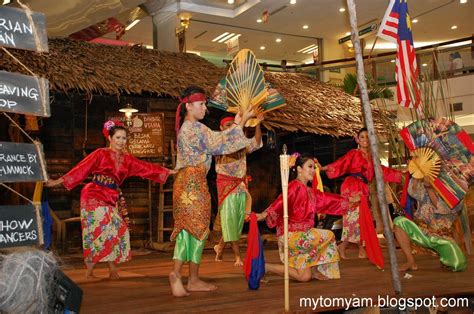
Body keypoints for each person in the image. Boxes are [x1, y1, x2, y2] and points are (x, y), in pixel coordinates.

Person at [46, 120, 173, 279]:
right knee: (102, 231)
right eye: (118, 137)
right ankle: (104, 271)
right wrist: (57, 181)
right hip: (93, 195)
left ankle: (102, 271)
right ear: (110, 138)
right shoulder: (100, 153)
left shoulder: (127, 159)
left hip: (110, 197)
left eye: (124, 138)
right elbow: (81, 169)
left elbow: (146, 168)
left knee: (116, 230)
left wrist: (167, 171)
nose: (121, 141)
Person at [170, 86, 256, 297]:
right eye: (201, 104)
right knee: (196, 229)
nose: (204, 108)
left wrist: (239, 122)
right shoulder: (194, 128)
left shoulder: (189, 127)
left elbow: (219, 139)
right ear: (188, 106)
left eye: (205, 104)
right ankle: (179, 274)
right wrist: (241, 122)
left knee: (189, 230)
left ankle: (190, 278)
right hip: (194, 183)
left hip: (186, 182)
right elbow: (220, 144)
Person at [319, 128, 402, 268]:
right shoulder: (353, 154)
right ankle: (352, 248)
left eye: (367, 137)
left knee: (360, 220)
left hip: (363, 189)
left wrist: (400, 175)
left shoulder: (372, 156)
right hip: (351, 188)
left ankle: (351, 248)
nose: (365, 139)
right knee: (353, 220)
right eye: (362, 137)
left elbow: (381, 170)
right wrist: (322, 168)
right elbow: (340, 164)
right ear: (357, 139)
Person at [256, 155, 345, 282]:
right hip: (292, 236)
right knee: (326, 236)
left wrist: (348, 201)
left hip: (303, 235)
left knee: (304, 277)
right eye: (309, 167)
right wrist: (264, 215)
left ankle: (266, 267)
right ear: (299, 169)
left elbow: (328, 199)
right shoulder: (294, 186)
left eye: (314, 167)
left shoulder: (309, 191)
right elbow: (281, 202)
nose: (313, 170)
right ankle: (313, 270)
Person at [213, 114, 263, 266]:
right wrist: (238, 124)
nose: (231, 128)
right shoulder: (219, 142)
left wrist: (258, 123)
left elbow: (257, 142)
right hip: (226, 186)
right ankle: (238, 257)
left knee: (237, 222)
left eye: (232, 125)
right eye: (228, 125)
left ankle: (220, 247)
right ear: (221, 128)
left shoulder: (241, 143)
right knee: (230, 221)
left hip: (240, 186)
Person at [393, 176, 467, 272]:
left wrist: (429, 189)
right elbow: (413, 192)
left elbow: (443, 209)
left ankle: (444, 257)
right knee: (399, 222)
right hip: (421, 232)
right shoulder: (426, 177)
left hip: (442, 237)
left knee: (458, 265)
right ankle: (410, 261)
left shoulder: (456, 185)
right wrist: (416, 174)